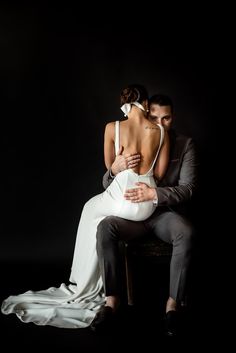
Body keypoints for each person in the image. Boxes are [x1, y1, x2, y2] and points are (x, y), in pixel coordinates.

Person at [1, 85, 169, 329]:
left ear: (125, 104)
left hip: (122, 198)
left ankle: (83, 283)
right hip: (147, 203)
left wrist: (118, 166)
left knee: (89, 209)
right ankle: (93, 281)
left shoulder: (113, 128)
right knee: (98, 218)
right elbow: (161, 175)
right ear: (145, 103)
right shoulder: (161, 132)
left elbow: (109, 167)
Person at [92, 94, 198, 336]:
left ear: (173, 118)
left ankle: (173, 305)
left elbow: (188, 189)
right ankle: (111, 302)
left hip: (163, 214)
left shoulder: (185, 144)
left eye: (167, 118)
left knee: (187, 232)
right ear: (145, 114)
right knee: (105, 227)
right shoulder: (132, 135)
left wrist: (154, 194)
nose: (160, 123)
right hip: (131, 217)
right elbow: (107, 184)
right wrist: (113, 169)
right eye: (154, 117)